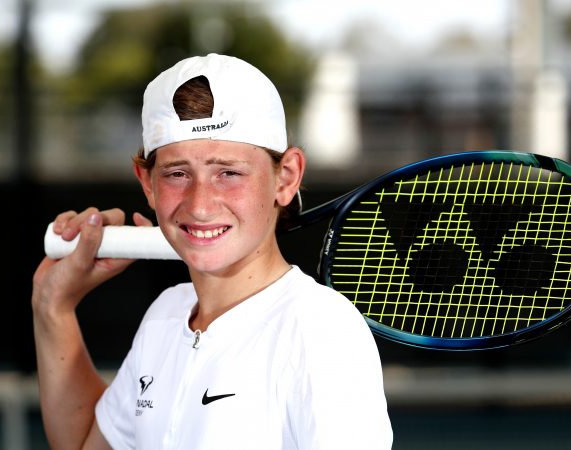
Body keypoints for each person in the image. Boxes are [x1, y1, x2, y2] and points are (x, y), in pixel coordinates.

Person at [32, 53, 393, 450]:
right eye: (177, 174)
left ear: (285, 177)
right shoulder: (166, 315)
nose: (200, 204)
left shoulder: (320, 329)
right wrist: (52, 307)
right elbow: (86, 444)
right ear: (147, 184)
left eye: (229, 173)